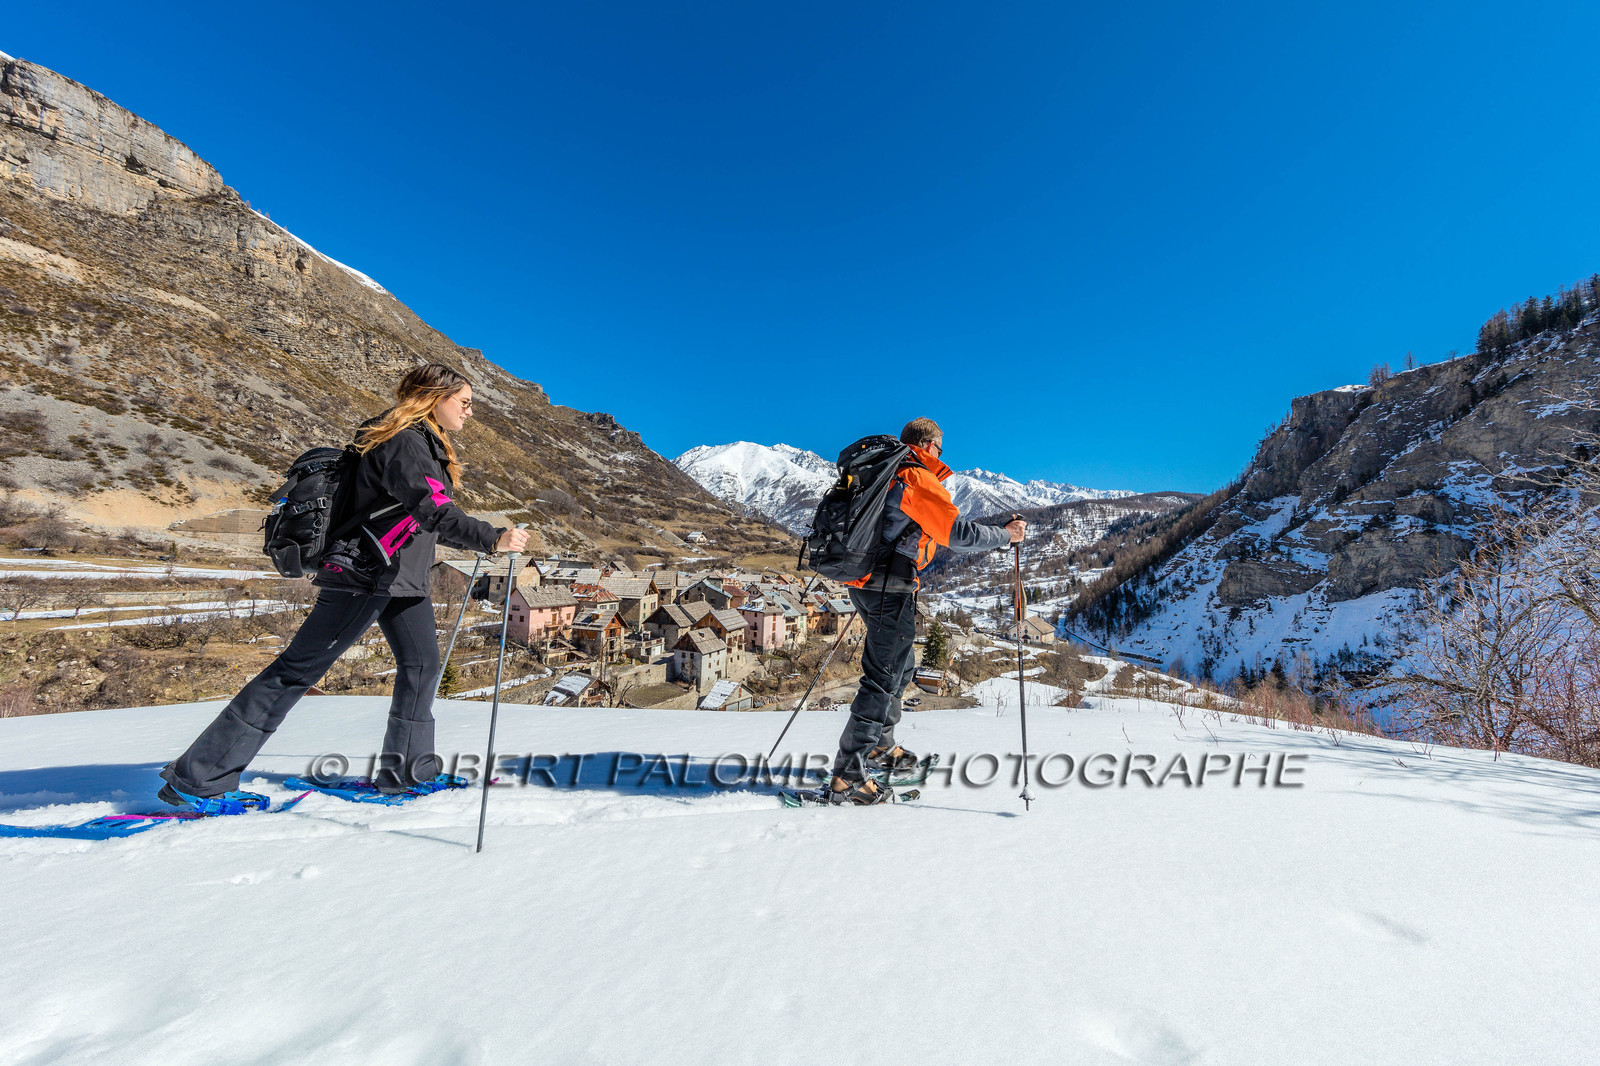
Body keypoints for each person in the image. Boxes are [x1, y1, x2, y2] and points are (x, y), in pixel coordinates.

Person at [158, 363, 530, 813]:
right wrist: (492, 537)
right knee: (296, 671)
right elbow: (432, 508)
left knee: (422, 667)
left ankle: (409, 774)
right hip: (366, 575)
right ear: (435, 397)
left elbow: (425, 519)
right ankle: (197, 780)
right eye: (465, 403)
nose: (470, 413)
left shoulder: (419, 443)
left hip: (401, 578)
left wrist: (483, 540)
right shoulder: (404, 441)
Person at [828, 417, 1025, 804]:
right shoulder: (915, 476)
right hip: (889, 587)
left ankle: (878, 748)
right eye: (941, 447)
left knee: (899, 668)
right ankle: (847, 776)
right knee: (883, 677)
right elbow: (958, 535)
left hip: (871, 584)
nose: (941, 454)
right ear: (930, 445)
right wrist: (1007, 535)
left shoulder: (885, 472)